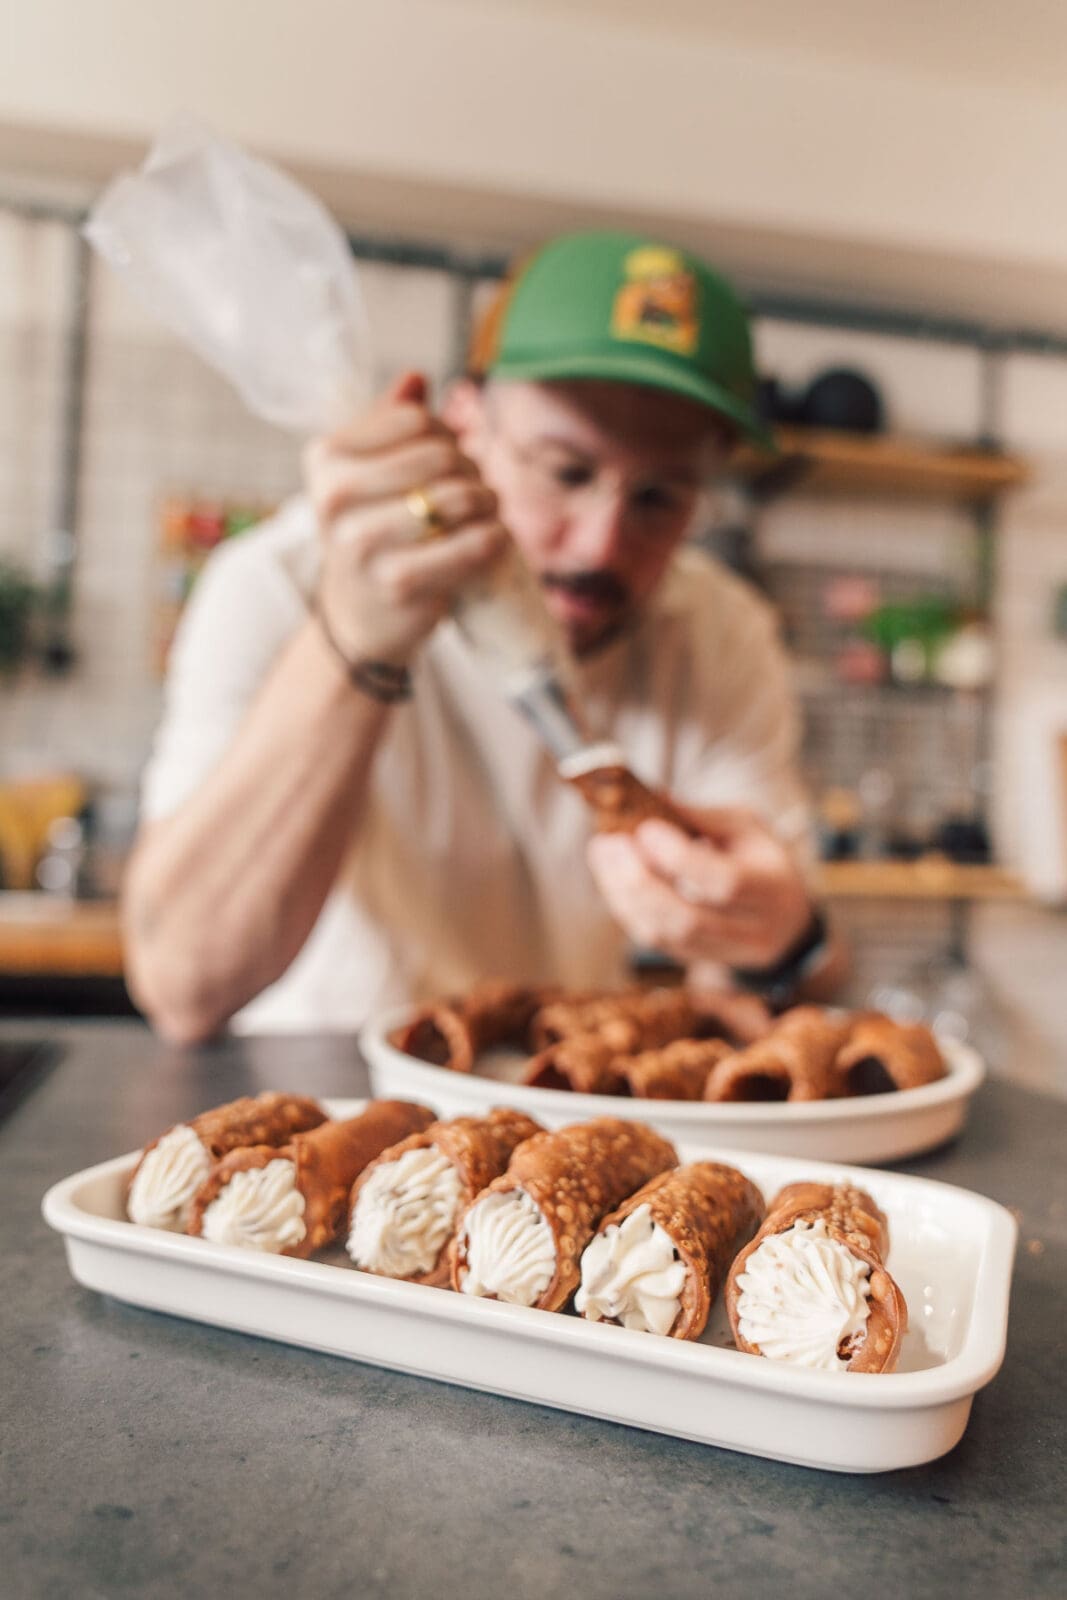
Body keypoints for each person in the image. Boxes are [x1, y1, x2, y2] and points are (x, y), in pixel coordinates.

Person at [124, 230, 844, 1042]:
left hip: (557, 1109)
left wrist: (776, 936)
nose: (599, 544)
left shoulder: (717, 632)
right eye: (564, 472)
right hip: (315, 1100)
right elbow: (180, 984)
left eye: (657, 498)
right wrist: (355, 642)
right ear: (463, 423)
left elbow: (748, 991)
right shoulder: (278, 583)